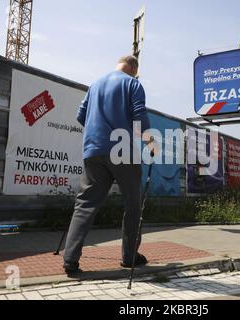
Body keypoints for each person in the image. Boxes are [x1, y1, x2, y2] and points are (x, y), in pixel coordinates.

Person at [62, 56, 152, 274]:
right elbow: (139, 114)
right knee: (133, 203)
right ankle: (129, 256)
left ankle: (70, 259)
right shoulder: (132, 83)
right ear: (133, 68)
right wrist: (149, 141)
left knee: (85, 204)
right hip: (122, 150)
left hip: (93, 149)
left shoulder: (95, 84)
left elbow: (80, 115)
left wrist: (98, 132)